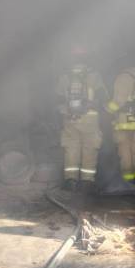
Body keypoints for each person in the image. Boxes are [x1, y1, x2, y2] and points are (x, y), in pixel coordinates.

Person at [56, 46, 107, 193]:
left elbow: (57, 99)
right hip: (90, 119)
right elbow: (103, 96)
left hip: (70, 119)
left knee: (71, 148)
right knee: (90, 149)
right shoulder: (94, 75)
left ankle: (70, 181)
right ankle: (87, 183)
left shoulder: (64, 76)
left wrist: (66, 112)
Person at [105, 67, 135, 189]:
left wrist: (107, 110)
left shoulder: (123, 77)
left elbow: (119, 100)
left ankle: (128, 180)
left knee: (124, 150)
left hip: (124, 122)